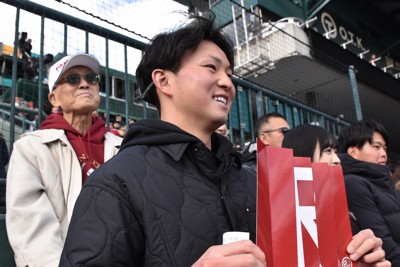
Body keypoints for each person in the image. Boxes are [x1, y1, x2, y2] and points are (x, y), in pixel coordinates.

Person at [60, 12, 265, 267]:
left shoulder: (249, 180)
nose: (226, 82)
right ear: (164, 80)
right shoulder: (117, 182)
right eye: (211, 68)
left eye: (229, 74)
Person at [6, 53, 123, 267]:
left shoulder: (123, 148)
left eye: (91, 78)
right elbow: (32, 231)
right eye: (72, 79)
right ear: (54, 98)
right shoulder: (31, 148)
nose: (85, 84)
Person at [282, 124, 391, 266]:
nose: (337, 159)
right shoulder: (282, 218)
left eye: (335, 151)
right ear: (303, 155)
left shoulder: (344, 211)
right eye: (328, 151)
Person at [338, 118, 400, 265]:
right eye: (376, 147)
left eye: (384, 148)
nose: (384, 153)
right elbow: (383, 243)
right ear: (353, 152)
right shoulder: (353, 184)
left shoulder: (384, 183)